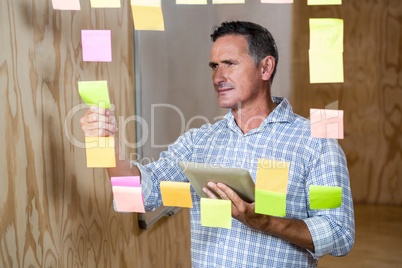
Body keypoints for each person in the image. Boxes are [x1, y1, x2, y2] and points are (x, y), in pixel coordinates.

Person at [80, 21, 355, 267]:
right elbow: (138, 196)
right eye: (214, 66)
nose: (218, 77)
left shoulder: (315, 142)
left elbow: (339, 234)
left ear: (266, 67)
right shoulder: (199, 142)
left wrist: (266, 222)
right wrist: (105, 145)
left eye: (230, 64)